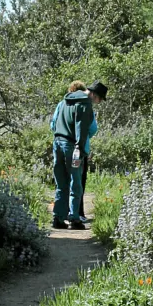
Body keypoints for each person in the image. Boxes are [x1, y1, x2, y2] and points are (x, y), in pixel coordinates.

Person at [50, 79, 107, 229]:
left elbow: (54, 124)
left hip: (57, 143)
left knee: (61, 183)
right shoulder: (85, 103)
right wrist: (79, 149)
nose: (99, 102)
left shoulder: (64, 101)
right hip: (71, 146)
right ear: (94, 94)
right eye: (100, 99)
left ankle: (58, 218)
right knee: (75, 183)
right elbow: (81, 129)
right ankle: (74, 219)